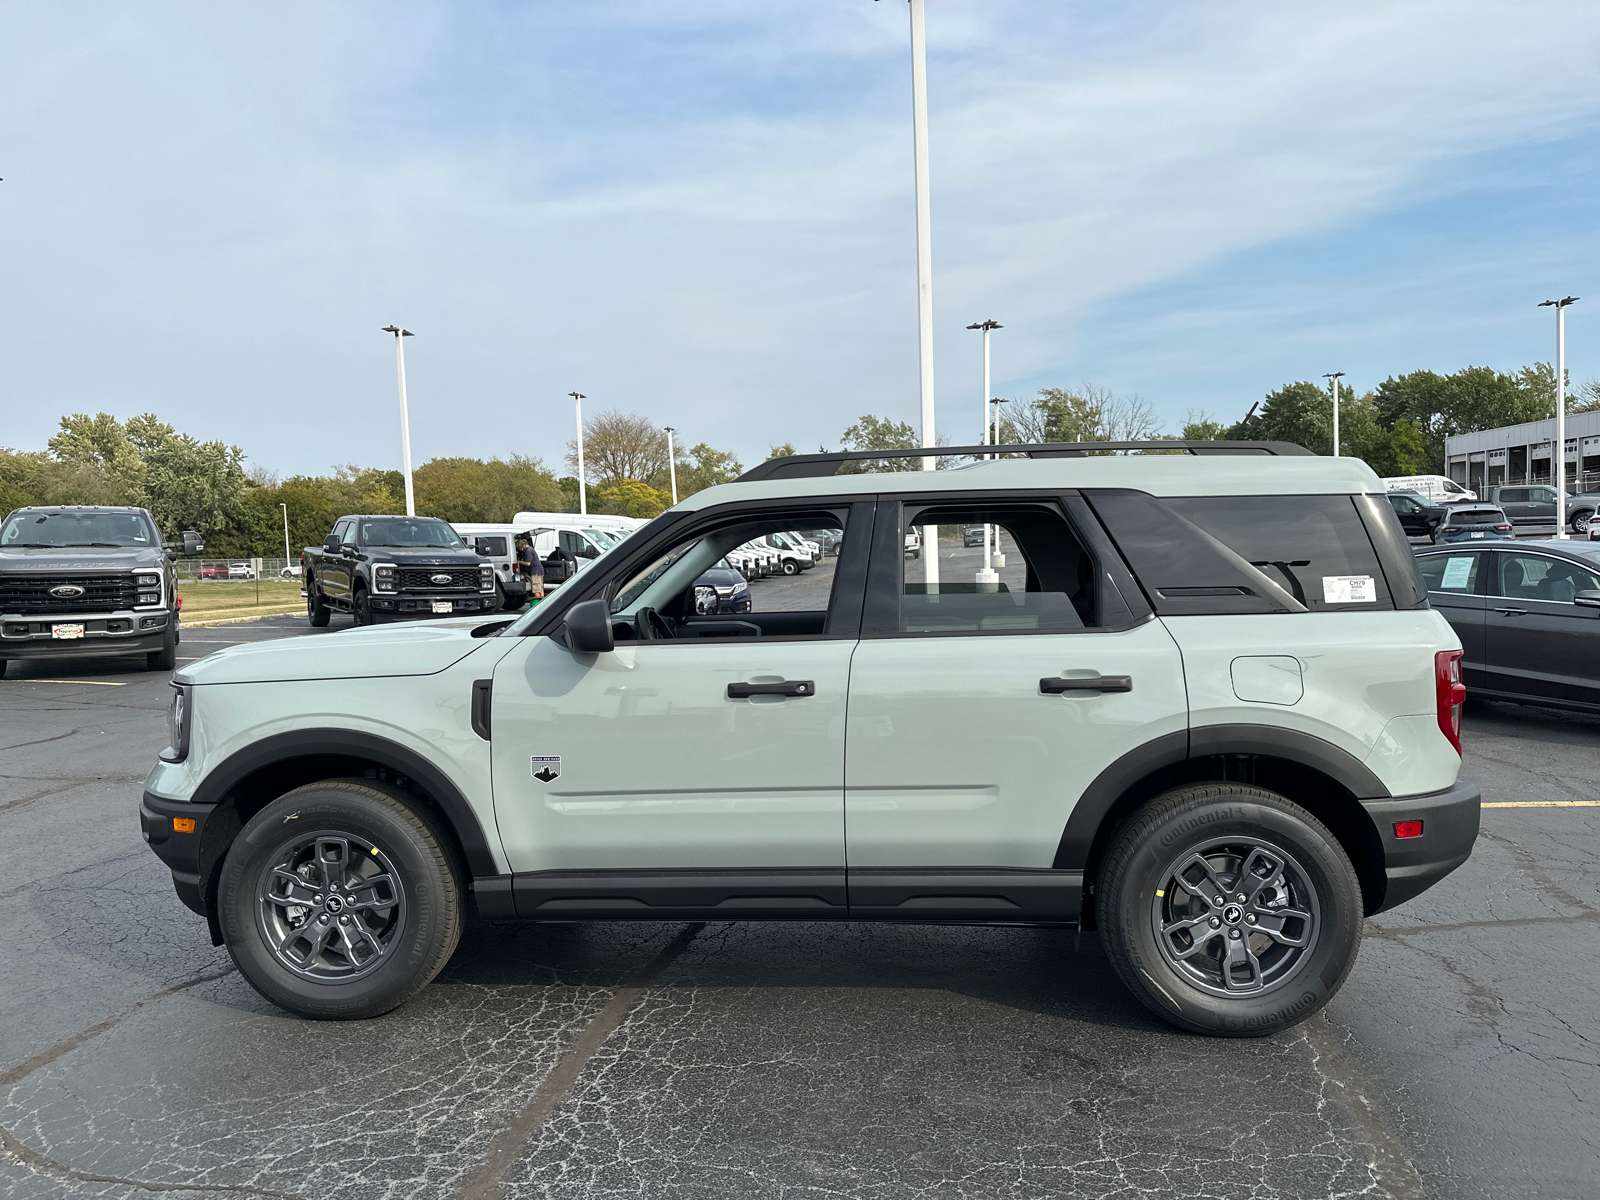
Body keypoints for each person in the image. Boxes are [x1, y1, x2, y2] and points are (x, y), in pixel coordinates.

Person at [515, 536, 544, 603]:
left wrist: (518, 562)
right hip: (539, 570)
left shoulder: (528, 551)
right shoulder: (530, 549)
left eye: (518, 547)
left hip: (535, 571)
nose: (518, 549)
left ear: (521, 546)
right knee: (540, 589)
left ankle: (538, 604)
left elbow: (528, 563)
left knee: (536, 589)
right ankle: (543, 603)